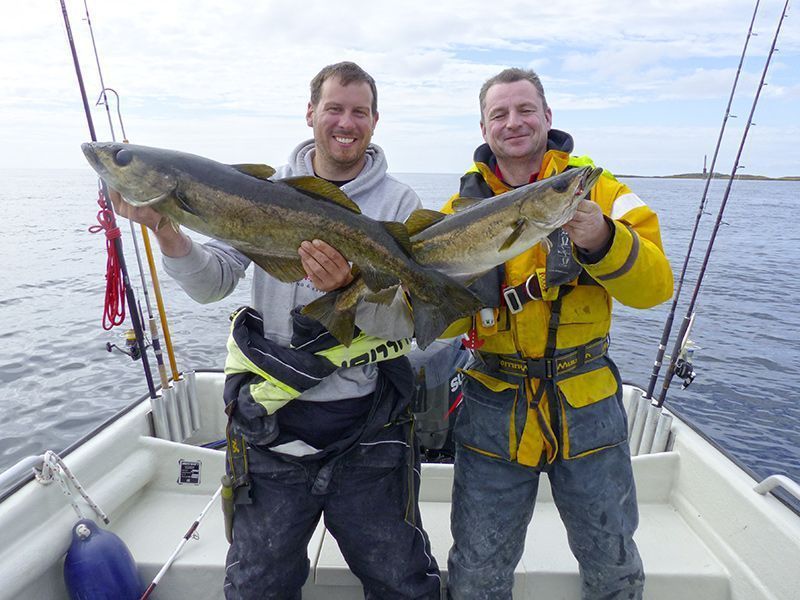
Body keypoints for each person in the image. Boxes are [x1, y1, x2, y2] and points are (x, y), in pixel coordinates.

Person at [110, 61, 441, 600]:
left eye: (359, 111)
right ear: (310, 112)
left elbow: (402, 321)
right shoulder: (255, 191)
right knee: (255, 587)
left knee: (402, 583)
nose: (345, 122)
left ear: (375, 122)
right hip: (272, 427)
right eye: (334, 107)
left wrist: (348, 287)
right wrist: (168, 231)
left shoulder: (399, 204)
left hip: (367, 428)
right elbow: (212, 283)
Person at [440, 68, 673, 599]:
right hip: (492, 405)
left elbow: (657, 286)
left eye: (526, 109)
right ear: (483, 126)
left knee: (612, 561)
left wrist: (605, 238)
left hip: (587, 401)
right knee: (476, 568)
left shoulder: (600, 190)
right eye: (499, 113)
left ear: (548, 117)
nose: (513, 122)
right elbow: (445, 325)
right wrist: (448, 289)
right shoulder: (459, 213)